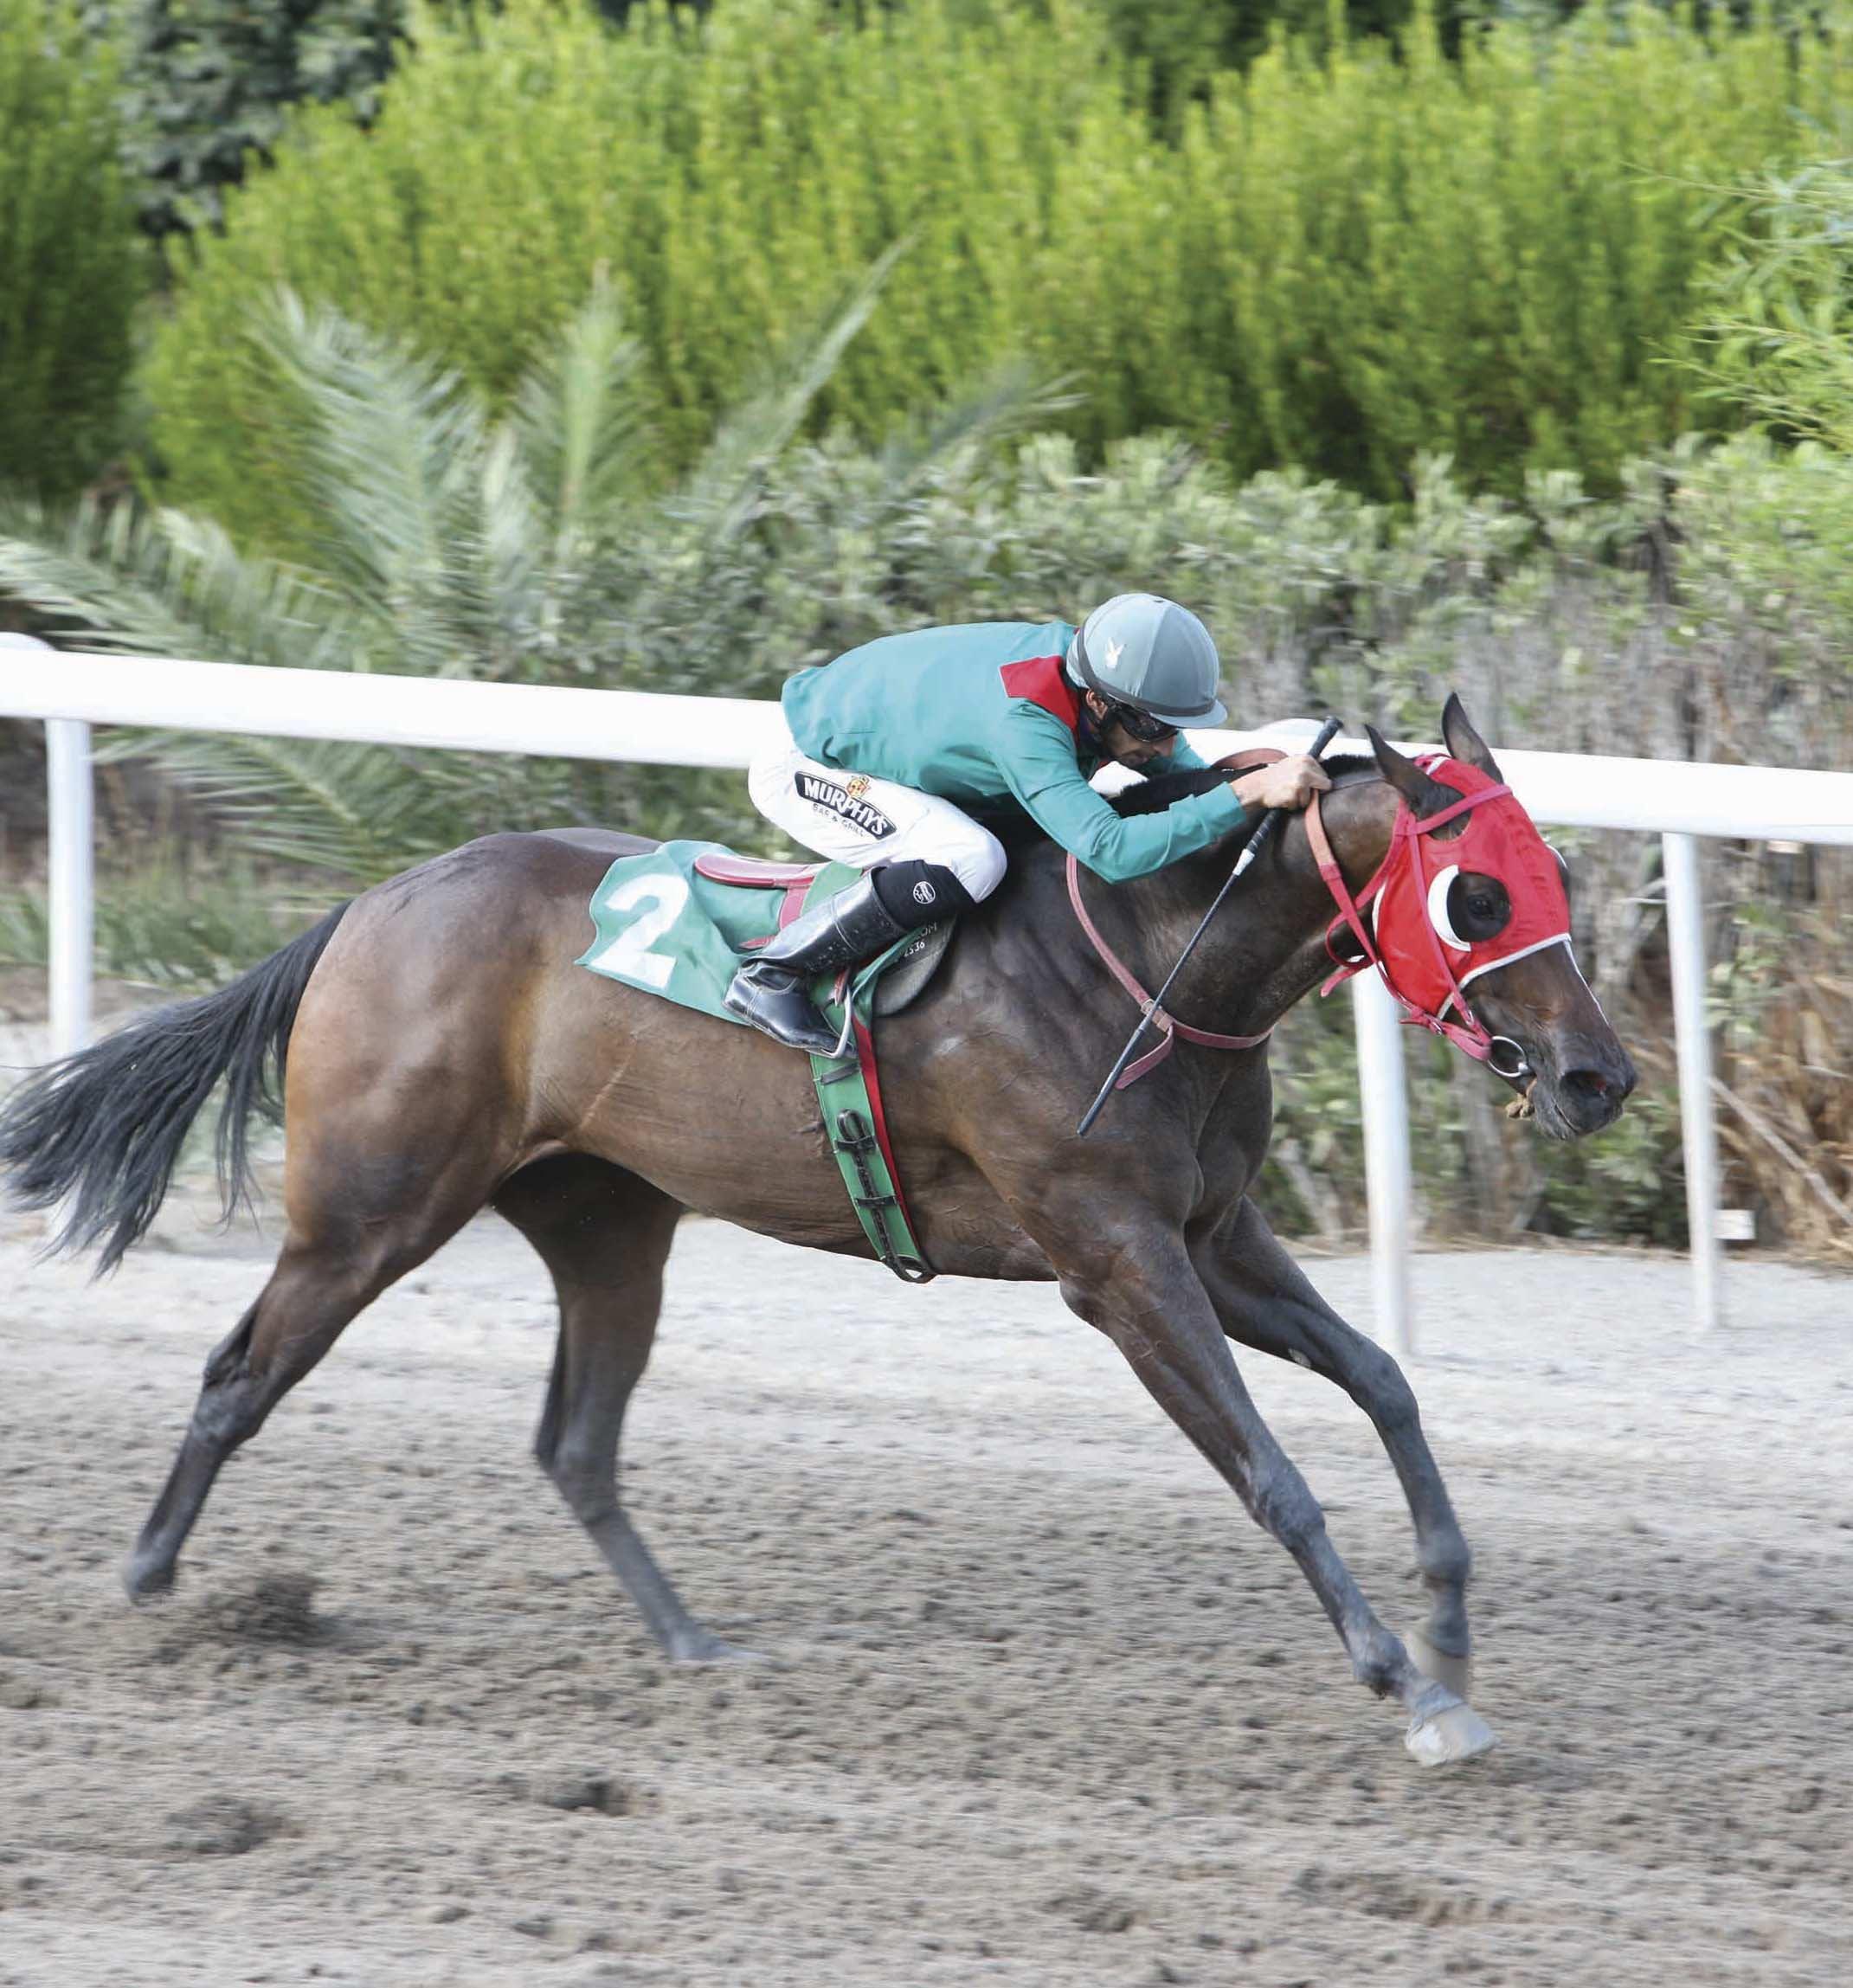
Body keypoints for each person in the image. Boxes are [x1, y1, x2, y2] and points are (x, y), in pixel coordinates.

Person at [724, 593, 1330, 1052]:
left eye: (1176, 726)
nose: (1166, 744)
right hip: (807, 765)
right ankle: (773, 973)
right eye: (1152, 726)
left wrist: (1223, 783)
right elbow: (1112, 851)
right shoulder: (1026, 724)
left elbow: (1172, 767)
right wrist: (1245, 792)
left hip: (882, 736)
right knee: (973, 859)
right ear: (1098, 701)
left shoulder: (1097, 678)